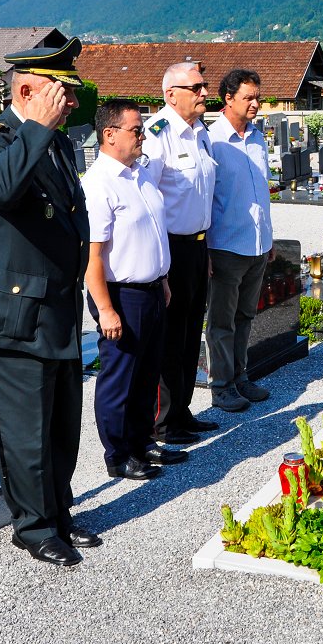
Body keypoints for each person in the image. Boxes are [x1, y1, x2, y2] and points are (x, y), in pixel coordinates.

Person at [0, 38, 98, 567]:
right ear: (26, 90)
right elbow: (0, 188)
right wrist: (36, 128)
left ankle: (58, 513)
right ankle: (33, 527)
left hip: (55, 308)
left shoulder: (56, 144)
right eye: (58, 91)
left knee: (61, 426)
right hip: (11, 317)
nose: (68, 102)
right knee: (24, 434)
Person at [82, 99, 187, 480]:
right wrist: (105, 309)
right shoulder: (99, 184)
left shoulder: (140, 174)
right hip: (121, 294)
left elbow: (153, 233)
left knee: (147, 373)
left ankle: (143, 441)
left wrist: (163, 279)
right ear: (109, 135)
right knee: (119, 378)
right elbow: (92, 258)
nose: (143, 135)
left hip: (152, 290)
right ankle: (118, 453)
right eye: (136, 129)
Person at [142, 63, 220, 440]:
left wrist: (203, 251)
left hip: (196, 247)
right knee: (170, 338)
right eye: (197, 87)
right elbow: (147, 199)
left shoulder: (199, 132)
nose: (205, 92)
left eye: (204, 86)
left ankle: (183, 410)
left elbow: (201, 198)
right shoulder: (158, 134)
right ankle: (162, 420)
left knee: (191, 333)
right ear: (171, 93)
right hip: (170, 249)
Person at [205, 69, 274, 412]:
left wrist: (269, 238)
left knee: (246, 316)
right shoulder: (211, 140)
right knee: (221, 322)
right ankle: (221, 387)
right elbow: (205, 198)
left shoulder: (258, 138)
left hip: (257, 245)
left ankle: (240, 377)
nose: (256, 104)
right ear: (227, 99)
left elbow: (261, 192)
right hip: (226, 247)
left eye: (257, 97)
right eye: (248, 97)